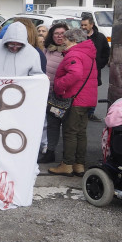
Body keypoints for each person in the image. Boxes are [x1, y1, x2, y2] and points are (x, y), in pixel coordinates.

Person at [48, 28, 97, 177]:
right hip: (87, 99)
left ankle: (67, 164)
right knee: (81, 133)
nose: (64, 43)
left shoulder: (74, 54)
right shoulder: (88, 53)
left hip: (75, 99)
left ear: (73, 40)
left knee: (70, 133)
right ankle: (79, 164)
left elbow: (75, 74)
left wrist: (58, 85)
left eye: (66, 40)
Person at [39, 23, 70, 164]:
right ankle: (49, 150)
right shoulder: (47, 50)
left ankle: (68, 157)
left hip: (62, 93)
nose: (59, 36)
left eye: (62, 33)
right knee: (50, 123)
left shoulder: (69, 51)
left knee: (66, 125)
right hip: (47, 91)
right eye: (56, 33)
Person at [81, 15, 110, 122]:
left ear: (92, 25)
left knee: (92, 92)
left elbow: (106, 52)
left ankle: (90, 113)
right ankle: (81, 112)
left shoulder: (100, 37)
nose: (83, 27)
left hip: (95, 71)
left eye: (85, 25)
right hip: (81, 70)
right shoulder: (79, 37)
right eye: (82, 25)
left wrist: (100, 64)